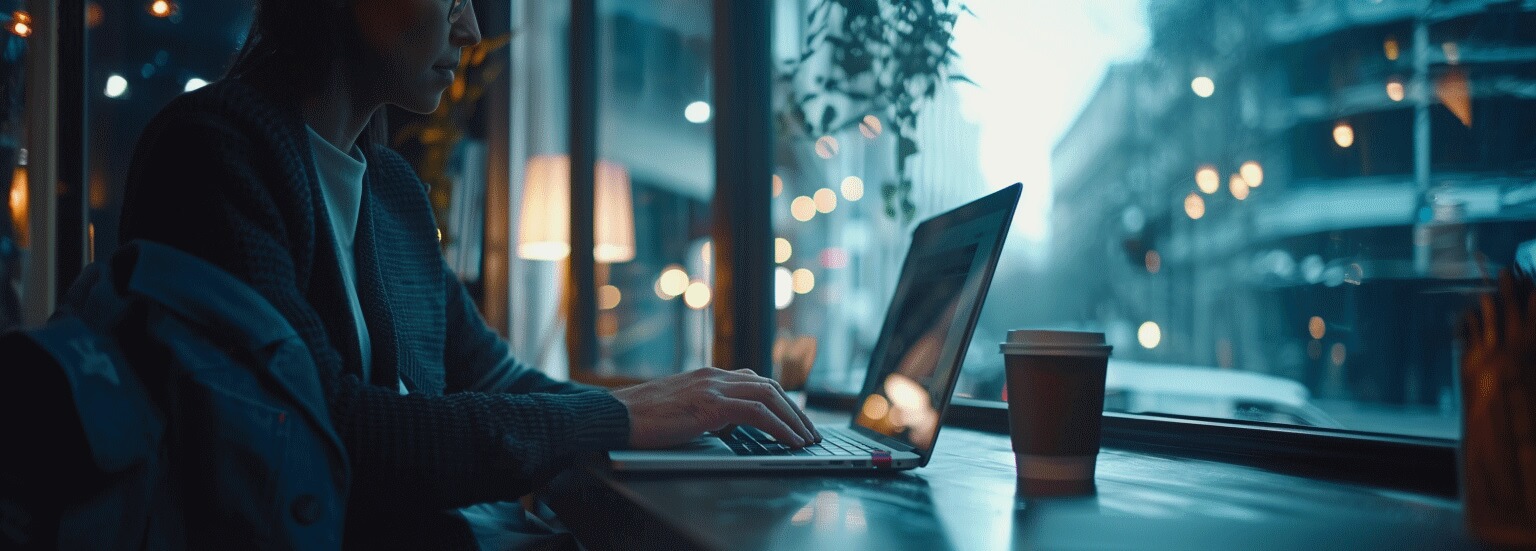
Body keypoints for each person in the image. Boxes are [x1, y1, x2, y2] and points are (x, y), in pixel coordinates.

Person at [115, 0, 819, 547]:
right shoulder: (213, 152)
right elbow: (328, 429)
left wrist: (689, 420)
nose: (472, 26)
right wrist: (621, 413)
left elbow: (499, 380)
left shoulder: (390, 189)